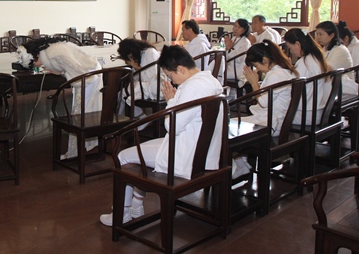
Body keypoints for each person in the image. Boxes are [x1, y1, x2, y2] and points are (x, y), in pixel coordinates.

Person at [99, 45, 223, 226]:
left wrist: (170, 101)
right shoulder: (209, 80)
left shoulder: (192, 87)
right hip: (202, 150)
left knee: (122, 156)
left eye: (171, 75)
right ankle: (136, 206)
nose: (172, 81)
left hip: (184, 155)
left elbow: (172, 126)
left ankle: (121, 213)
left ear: (181, 69)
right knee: (142, 151)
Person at [18, 37, 102, 159]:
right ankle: (80, 148)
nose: (35, 65)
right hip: (90, 71)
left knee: (80, 114)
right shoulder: (50, 50)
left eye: (33, 63)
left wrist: (64, 74)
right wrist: (62, 72)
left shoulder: (53, 54)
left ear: (35, 56)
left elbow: (78, 69)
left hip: (89, 77)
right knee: (84, 112)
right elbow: (71, 65)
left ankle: (75, 152)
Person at [241, 41, 297, 136]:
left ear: (265, 60)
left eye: (256, 66)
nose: (258, 69)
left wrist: (254, 83)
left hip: (272, 123)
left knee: (226, 126)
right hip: (276, 120)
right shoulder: (283, 71)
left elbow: (263, 103)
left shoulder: (276, 75)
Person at [284, 28, 331, 125]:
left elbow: (292, 89)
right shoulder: (316, 57)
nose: (291, 52)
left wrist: (286, 70)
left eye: (290, 47)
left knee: (272, 115)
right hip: (319, 111)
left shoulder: (304, 63)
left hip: (306, 115)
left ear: (297, 44)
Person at [116, 38, 162, 119]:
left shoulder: (150, 53)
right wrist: (135, 66)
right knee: (122, 94)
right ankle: (121, 117)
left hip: (156, 87)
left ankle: (140, 117)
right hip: (147, 85)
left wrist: (137, 67)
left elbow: (151, 78)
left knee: (123, 94)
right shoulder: (139, 55)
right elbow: (136, 77)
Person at [315, 21, 358, 99]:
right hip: (332, 85)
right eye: (317, 34)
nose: (318, 37)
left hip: (344, 88)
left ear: (332, 35)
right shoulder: (325, 49)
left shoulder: (340, 50)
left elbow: (326, 70)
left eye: (320, 34)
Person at [224, 18, 251, 88]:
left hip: (238, 69)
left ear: (245, 29)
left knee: (218, 73)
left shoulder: (245, 42)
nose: (236, 29)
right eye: (235, 26)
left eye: (239, 27)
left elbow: (239, 59)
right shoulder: (234, 38)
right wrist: (227, 48)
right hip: (230, 66)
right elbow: (228, 55)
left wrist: (230, 48)